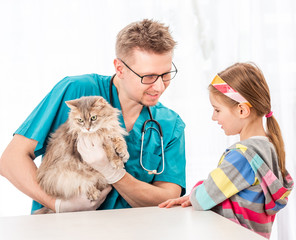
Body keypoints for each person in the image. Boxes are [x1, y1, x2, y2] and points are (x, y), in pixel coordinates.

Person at [0, 19, 186, 213]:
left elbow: (169, 198)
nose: (159, 86)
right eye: (148, 77)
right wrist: (57, 204)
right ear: (120, 68)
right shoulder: (77, 92)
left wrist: (114, 174)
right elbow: (10, 160)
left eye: (165, 74)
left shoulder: (170, 124)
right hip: (65, 229)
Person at [159, 62, 294, 239]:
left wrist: (196, 192)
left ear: (242, 110)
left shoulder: (243, 156)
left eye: (217, 110)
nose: (213, 117)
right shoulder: (268, 148)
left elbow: (203, 199)